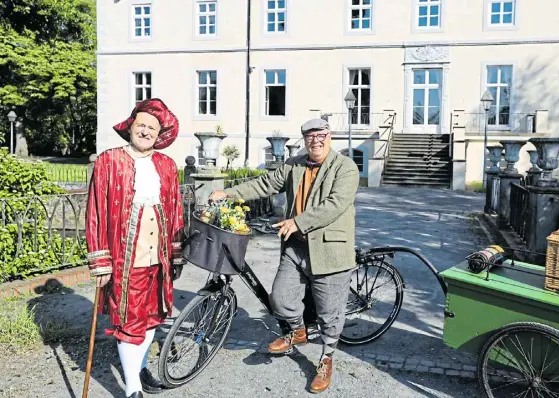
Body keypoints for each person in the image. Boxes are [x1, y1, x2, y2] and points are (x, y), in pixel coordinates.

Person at [209, 118, 360, 393]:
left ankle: (326, 357)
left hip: (329, 250)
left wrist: (298, 222)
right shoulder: (294, 164)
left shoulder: (345, 167)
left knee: (329, 313)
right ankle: (298, 331)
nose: (315, 140)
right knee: (280, 298)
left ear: (330, 136)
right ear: (304, 139)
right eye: (310, 136)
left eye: (321, 135)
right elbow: (264, 184)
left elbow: (335, 204)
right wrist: (228, 193)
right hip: (296, 247)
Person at [85, 98, 186, 398]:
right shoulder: (109, 161)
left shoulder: (166, 165)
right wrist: (100, 260)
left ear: (159, 135)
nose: (145, 131)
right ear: (130, 127)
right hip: (124, 259)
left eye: (152, 128)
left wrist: (176, 253)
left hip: (159, 259)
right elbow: (95, 211)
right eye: (141, 125)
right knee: (129, 321)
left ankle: (139, 372)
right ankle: (132, 390)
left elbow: (176, 209)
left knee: (153, 316)